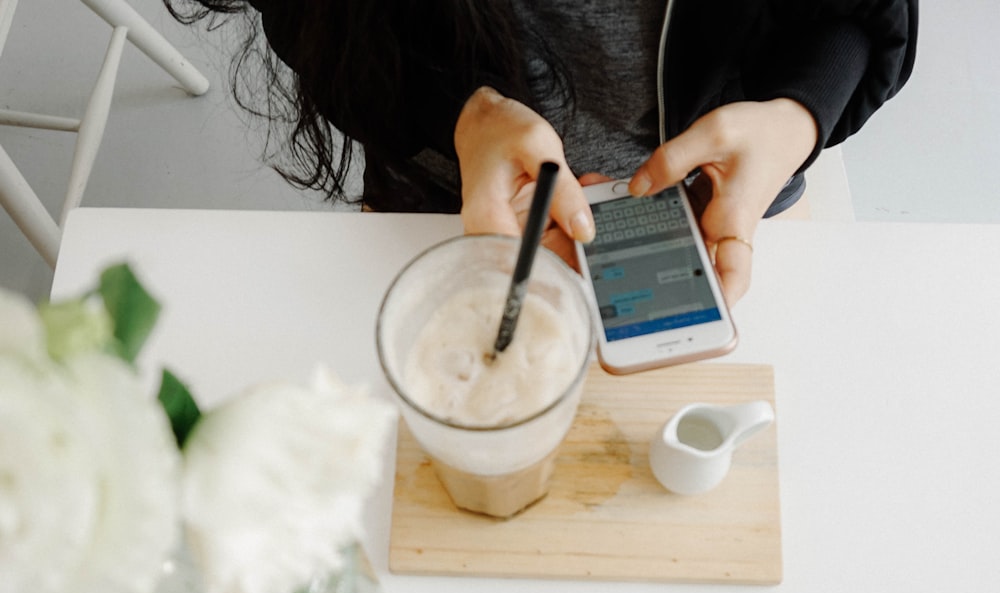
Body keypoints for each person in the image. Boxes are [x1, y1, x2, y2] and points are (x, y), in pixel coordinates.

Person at [166, 0, 917, 303]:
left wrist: (794, 114)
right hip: (456, 197)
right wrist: (458, 115)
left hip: (736, 201)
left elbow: (858, 12)